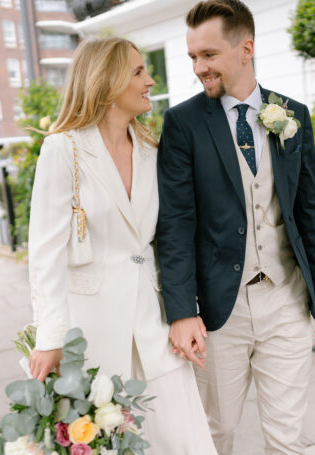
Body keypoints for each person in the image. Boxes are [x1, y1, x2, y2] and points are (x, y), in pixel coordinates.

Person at [156, 1, 315, 454]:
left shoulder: (291, 113)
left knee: (286, 438)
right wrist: (181, 311)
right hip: (221, 311)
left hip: (287, 298)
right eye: (193, 57)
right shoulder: (183, 123)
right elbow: (175, 224)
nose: (200, 67)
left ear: (246, 49)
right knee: (216, 434)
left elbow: (308, 209)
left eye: (209, 55)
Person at [27, 37, 217, 455]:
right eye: (137, 72)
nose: (150, 81)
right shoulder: (65, 149)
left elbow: (169, 234)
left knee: (181, 438)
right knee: (108, 442)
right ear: (107, 82)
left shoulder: (151, 149)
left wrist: (186, 311)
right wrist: (50, 336)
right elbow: (45, 253)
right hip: (93, 328)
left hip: (154, 321)